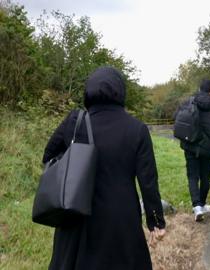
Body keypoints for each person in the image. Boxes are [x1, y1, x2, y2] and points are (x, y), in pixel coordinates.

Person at [43, 67, 166, 270]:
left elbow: (48, 156)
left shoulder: (74, 123)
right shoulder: (137, 129)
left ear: (88, 91)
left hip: (75, 215)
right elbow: (148, 181)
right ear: (120, 91)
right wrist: (156, 222)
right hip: (120, 219)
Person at [179, 79, 210, 221]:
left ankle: (197, 207)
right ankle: (202, 203)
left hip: (190, 145)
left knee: (193, 176)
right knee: (205, 177)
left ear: (200, 89)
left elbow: (178, 118)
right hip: (208, 148)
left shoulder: (189, 102)